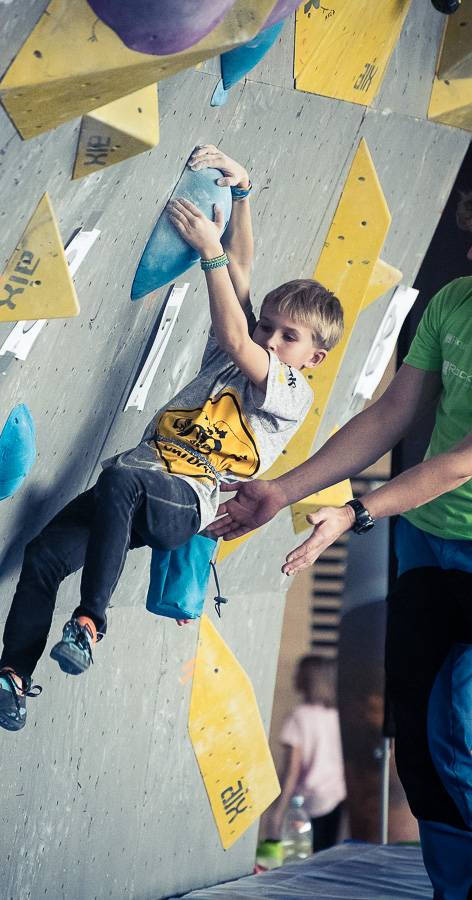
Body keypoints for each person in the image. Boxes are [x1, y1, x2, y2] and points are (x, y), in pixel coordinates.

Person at [0, 145, 344, 734]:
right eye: (267, 326)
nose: (270, 339)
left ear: (313, 358)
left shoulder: (292, 392)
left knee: (121, 475)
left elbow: (232, 320)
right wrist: (242, 193)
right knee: (43, 555)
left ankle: (90, 625)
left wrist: (209, 256)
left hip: (184, 503)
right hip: (139, 483)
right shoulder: (239, 350)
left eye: (287, 336)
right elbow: (241, 281)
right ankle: (13, 682)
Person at [210, 193, 472, 897]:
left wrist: (358, 512)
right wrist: (286, 490)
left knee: (459, 724)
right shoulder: (453, 301)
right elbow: (392, 413)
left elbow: (461, 461)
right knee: (416, 740)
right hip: (430, 539)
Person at [264, 655, 346, 853]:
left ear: (308, 679)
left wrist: (278, 810)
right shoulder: (336, 716)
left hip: (307, 804)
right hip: (336, 798)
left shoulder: (299, 716)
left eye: (298, 673)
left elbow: (292, 769)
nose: (293, 678)